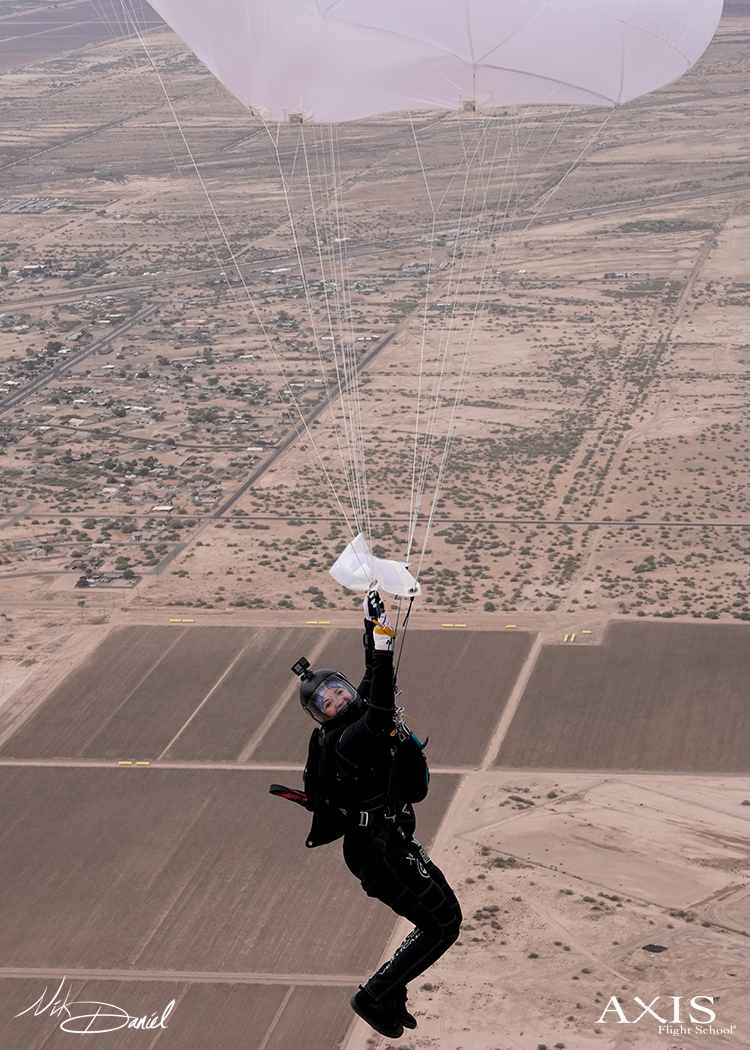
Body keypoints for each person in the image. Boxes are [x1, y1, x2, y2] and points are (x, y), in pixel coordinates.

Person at [290, 592, 462, 1039]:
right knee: (443, 925)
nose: (337, 700)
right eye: (326, 703)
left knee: (446, 914)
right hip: (376, 851)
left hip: (389, 840)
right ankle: (375, 996)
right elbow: (382, 709)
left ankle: (392, 988)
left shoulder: (358, 710)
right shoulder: (345, 740)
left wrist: (373, 624)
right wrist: (384, 648)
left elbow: (374, 677)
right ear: (321, 717)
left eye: (338, 690)